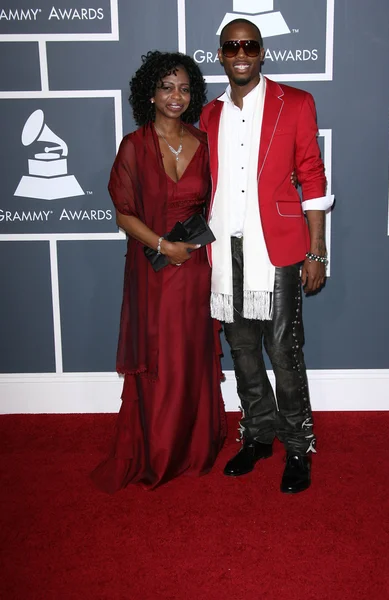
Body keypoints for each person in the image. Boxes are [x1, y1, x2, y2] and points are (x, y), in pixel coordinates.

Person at [199, 19, 334, 493]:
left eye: (249, 45)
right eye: (232, 46)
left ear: (262, 52)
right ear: (220, 55)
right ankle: (257, 434)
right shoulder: (210, 114)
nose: (241, 53)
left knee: (282, 348)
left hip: (276, 248)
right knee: (241, 349)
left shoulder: (294, 103)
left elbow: (312, 180)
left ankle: (298, 446)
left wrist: (317, 250)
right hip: (223, 248)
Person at [91, 51, 226, 492]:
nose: (176, 96)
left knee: (191, 354)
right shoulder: (133, 146)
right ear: (149, 93)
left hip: (196, 270)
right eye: (167, 86)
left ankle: (193, 446)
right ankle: (159, 449)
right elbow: (123, 214)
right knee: (159, 357)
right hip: (153, 268)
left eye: (185, 88)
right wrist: (162, 244)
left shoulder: (205, 143)